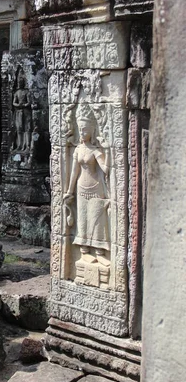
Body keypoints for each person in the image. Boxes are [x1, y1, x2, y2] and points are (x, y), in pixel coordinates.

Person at [63, 109, 110, 266]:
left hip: (96, 187)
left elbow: (105, 169)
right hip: (81, 188)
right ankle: (84, 252)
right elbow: (74, 172)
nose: (82, 133)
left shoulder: (95, 150)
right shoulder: (78, 149)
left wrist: (108, 150)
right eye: (80, 129)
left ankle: (100, 252)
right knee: (82, 219)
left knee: (97, 220)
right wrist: (69, 191)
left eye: (85, 130)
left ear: (92, 131)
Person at [12, 79, 32, 151]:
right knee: (19, 129)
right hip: (19, 112)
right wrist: (18, 105)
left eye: (21, 82)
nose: (20, 84)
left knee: (27, 128)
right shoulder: (17, 92)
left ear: (24, 83)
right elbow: (14, 102)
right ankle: (19, 145)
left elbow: (29, 102)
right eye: (19, 83)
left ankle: (27, 145)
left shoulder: (27, 92)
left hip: (26, 111)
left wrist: (24, 105)